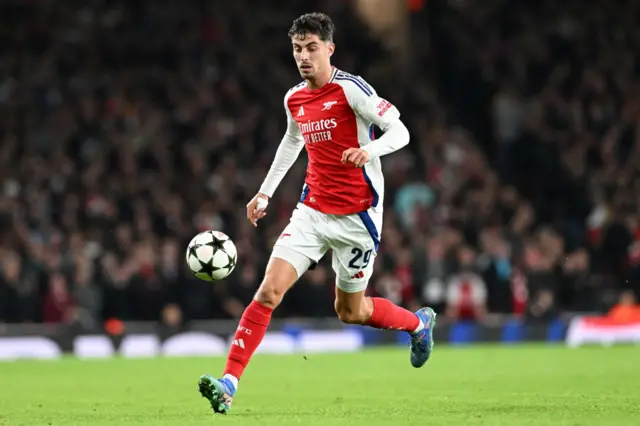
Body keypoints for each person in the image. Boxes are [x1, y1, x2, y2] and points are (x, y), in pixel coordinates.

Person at [198, 12, 436, 414]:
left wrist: (370, 150)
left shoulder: (352, 90)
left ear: (329, 49)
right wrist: (265, 193)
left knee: (351, 311)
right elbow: (292, 141)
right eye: (297, 49)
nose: (303, 56)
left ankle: (418, 325)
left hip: (358, 218)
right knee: (268, 291)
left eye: (311, 48)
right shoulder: (295, 98)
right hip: (312, 210)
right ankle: (229, 383)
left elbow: (401, 131)